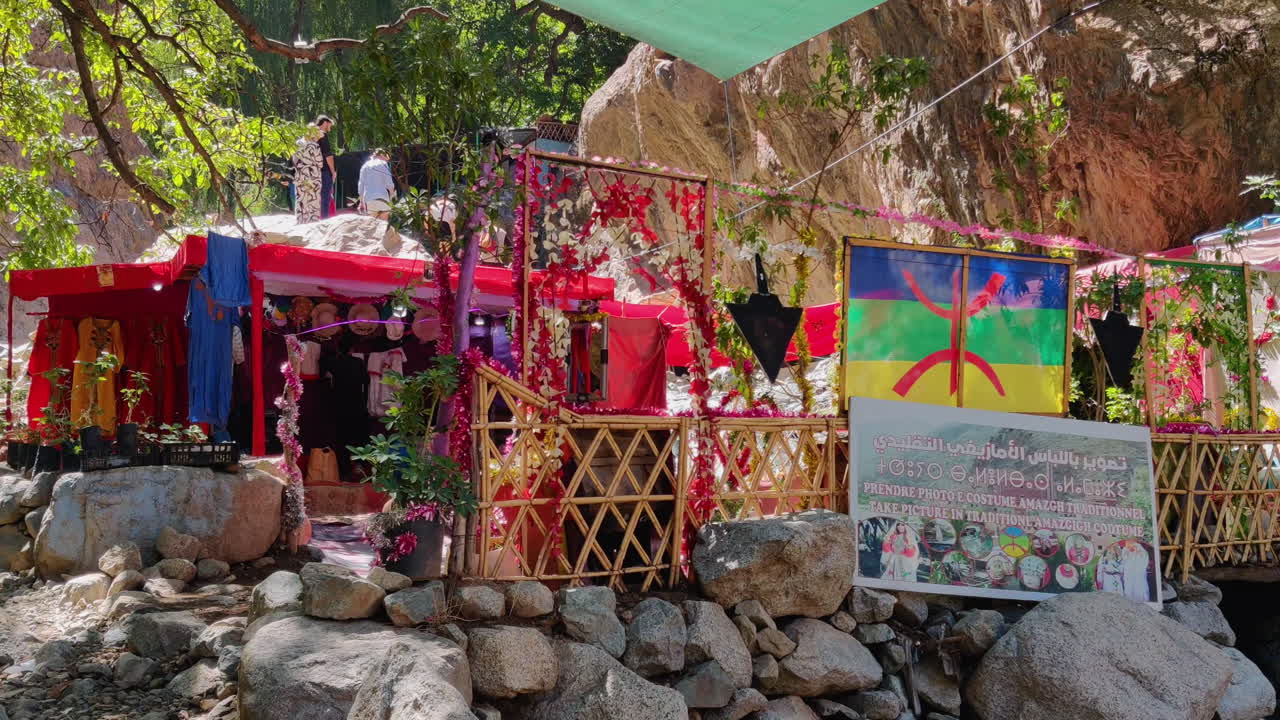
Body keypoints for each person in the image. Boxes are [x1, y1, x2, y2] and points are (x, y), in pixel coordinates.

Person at [292, 124, 324, 223]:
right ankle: (312, 221)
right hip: (313, 176)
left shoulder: (297, 143)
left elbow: (293, 160)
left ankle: (300, 220)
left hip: (300, 175)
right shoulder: (314, 145)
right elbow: (320, 163)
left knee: (301, 198)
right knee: (313, 199)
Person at [358, 148, 395, 220]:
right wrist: (391, 198)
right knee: (383, 225)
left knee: (372, 225)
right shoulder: (383, 164)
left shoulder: (365, 166)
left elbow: (361, 185)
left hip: (369, 199)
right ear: (382, 155)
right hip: (382, 198)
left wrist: (361, 201)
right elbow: (389, 184)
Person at [315, 114, 337, 218]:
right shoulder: (322, 134)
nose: (330, 128)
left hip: (312, 171)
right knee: (325, 197)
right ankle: (324, 221)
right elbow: (328, 155)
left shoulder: (310, 135)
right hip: (323, 171)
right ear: (325, 122)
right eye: (330, 125)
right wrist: (333, 172)